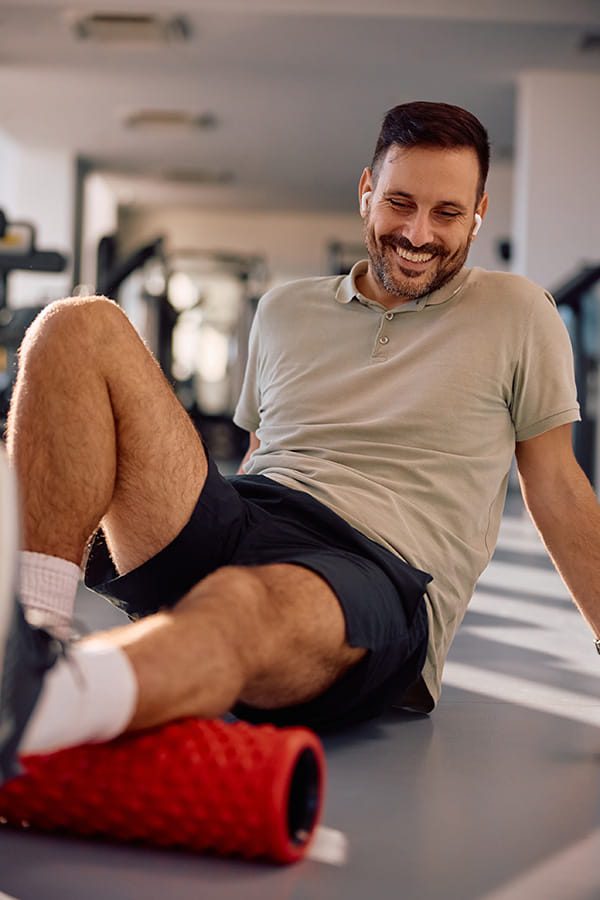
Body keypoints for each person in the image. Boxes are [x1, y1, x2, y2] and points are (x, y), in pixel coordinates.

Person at [0, 100, 595, 786]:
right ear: (366, 192)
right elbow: (259, 456)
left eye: (447, 213)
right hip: (247, 512)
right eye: (399, 202)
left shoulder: (519, 313)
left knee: (240, 601)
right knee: (76, 324)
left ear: (479, 212)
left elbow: (557, 489)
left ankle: (45, 708)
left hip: (377, 571)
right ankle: (29, 642)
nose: (417, 233)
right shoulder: (285, 309)